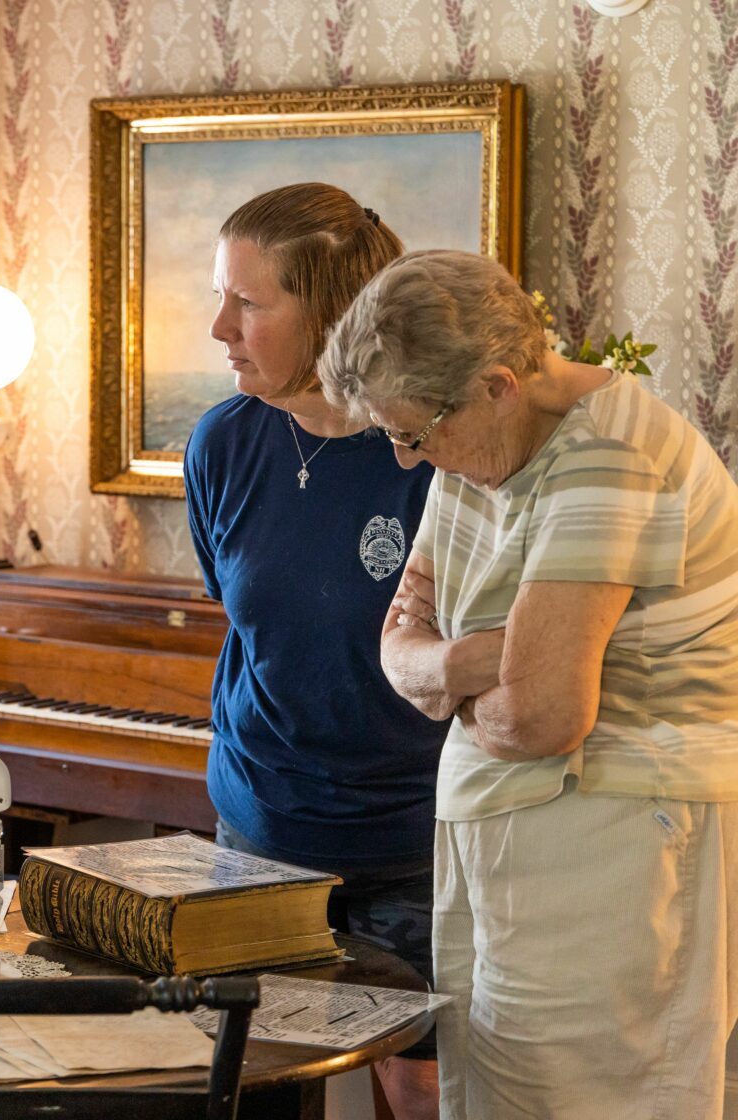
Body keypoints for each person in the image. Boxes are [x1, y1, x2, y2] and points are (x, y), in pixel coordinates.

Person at [319, 248, 738, 1119]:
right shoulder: (474, 450)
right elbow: (397, 644)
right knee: (495, 1095)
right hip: (512, 835)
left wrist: (454, 674)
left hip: (610, 844)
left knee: (584, 1101)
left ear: (499, 385)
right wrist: (480, 661)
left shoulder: (607, 459)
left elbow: (543, 717)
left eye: (413, 431)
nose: (406, 459)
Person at [184, 183, 446, 1119]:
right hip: (258, 833)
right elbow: (248, 616)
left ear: (334, 314)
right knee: (253, 1081)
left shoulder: (430, 455)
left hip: (411, 841)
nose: (220, 326)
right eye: (223, 294)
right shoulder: (223, 441)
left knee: (417, 1089)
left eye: (250, 303)